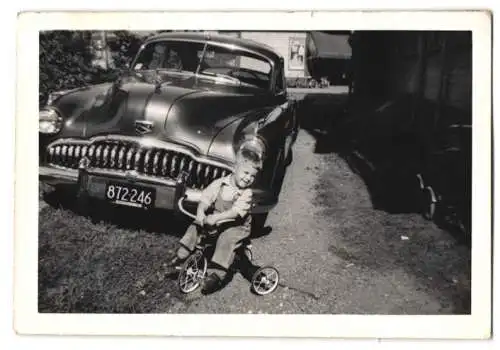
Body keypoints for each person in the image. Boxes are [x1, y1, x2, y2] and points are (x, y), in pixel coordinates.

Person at [166, 147, 262, 294]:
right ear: (235, 168)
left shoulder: (246, 193)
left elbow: (236, 213)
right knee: (196, 226)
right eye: (246, 172)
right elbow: (206, 198)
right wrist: (200, 212)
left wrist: (216, 217)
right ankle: (182, 254)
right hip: (217, 220)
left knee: (226, 239)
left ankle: (216, 274)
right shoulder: (221, 183)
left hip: (237, 226)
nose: (248, 178)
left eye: (253, 176)